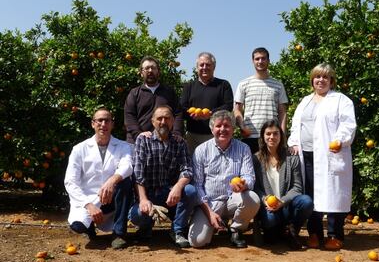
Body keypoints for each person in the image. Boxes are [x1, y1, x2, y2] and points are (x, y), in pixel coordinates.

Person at [288, 63, 356, 250]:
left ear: (331, 81)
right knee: (311, 195)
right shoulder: (305, 101)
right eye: (317, 77)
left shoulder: (341, 100)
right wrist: (293, 142)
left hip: (330, 155)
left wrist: (340, 140)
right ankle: (315, 234)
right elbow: (296, 125)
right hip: (307, 155)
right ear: (312, 80)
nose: (321, 80)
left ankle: (335, 235)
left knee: (334, 193)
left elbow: (348, 125)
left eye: (325, 77)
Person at [128, 105, 198, 248]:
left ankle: (177, 230)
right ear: (152, 121)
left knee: (190, 191)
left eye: (167, 118)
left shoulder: (180, 143)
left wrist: (178, 187)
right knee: (138, 215)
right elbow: (138, 173)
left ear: (172, 121)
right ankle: (145, 227)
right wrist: (143, 200)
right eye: (159, 118)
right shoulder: (143, 140)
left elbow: (187, 170)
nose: (163, 122)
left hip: (170, 195)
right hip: (149, 194)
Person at [189, 110, 260, 248]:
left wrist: (243, 185)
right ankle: (217, 224)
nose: (223, 129)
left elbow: (249, 176)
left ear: (233, 129)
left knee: (253, 199)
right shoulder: (201, 150)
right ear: (211, 128)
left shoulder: (243, 148)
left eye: (227, 126)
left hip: (233, 199)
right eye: (218, 126)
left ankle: (236, 229)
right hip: (210, 202)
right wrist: (209, 213)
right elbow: (197, 185)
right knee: (197, 242)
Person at [64, 107, 133, 249]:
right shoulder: (79, 149)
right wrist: (89, 206)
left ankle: (119, 233)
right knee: (78, 226)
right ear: (93, 124)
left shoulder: (123, 146)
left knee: (125, 182)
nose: (103, 124)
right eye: (99, 120)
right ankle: (89, 228)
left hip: (112, 199)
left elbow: (127, 166)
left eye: (107, 120)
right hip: (88, 199)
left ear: (112, 124)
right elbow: (70, 182)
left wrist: (112, 180)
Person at [253, 120, 313, 249]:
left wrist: (282, 202)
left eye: (276, 133)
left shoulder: (291, 158)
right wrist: (265, 200)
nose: (272, 137)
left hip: (286, 206)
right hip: (268, 206)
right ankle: (279, 231)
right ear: (263, 137)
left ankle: (292, 230)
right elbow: (255, 187)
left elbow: (297, 187)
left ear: (281, 136)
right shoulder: (256, 159)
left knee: (306, 201)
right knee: (271, 228)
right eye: (268, 134)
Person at [234, 47, 288, 154]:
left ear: (268, 60)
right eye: (257, 59)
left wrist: (282, 134)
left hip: (272, 136)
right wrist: (242, 127)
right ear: (253, 61)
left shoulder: (278, 85)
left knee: (272, 169)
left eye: (263, 58)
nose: (260, 61)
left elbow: (282, 112)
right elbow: (237, 110)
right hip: (250, 136)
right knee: (251, 169)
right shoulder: (243, 84)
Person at [181, 52, 233, 154]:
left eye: (208, 65)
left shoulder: (223, 85)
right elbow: (182, 107)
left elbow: (228, 105)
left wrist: (210, 114)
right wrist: (192, 115)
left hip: (216, 135)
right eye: (201, 65)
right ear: (197, 68)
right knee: (194, 165)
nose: (204, 67)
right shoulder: (189, 86)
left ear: (214, 67)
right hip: (193, 136)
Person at [124, 56, 183, 144]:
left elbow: (178, 113)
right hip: (137, 141)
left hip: (165, 141)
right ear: (141, 73)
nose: (150, 71)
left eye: (153, 68)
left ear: (158, 72)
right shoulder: (134, 93)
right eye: (147, 68)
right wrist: (139, 134)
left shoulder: (169, 92)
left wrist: (176, 132)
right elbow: (129, 116)